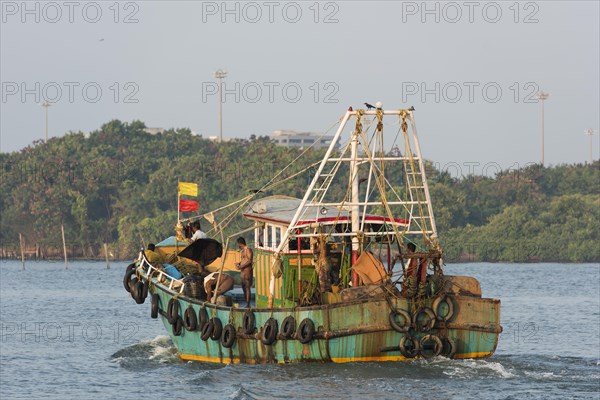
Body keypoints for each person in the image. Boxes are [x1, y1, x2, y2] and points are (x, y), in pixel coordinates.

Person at [234, 237, 253, 308]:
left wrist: (241, 266)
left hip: (247, 272)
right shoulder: (242, 251)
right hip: (242, 272)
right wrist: (238, 264)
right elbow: (244, 260)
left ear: (240, 243)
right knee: (243, 287)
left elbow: (250, 260)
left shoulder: (248, 250)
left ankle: (248, 304)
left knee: (247, 287)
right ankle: (246, 303)